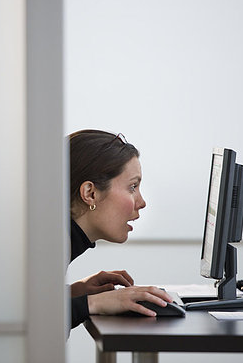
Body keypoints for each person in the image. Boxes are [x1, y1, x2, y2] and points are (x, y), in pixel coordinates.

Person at [68, 129, 173, 329]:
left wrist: (73, 293)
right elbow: (15, 318)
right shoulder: (44, 245)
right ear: (90, 193)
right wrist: (93, 303)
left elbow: (19, 305)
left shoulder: (50, 238)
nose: (142, 202)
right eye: (133, 187)